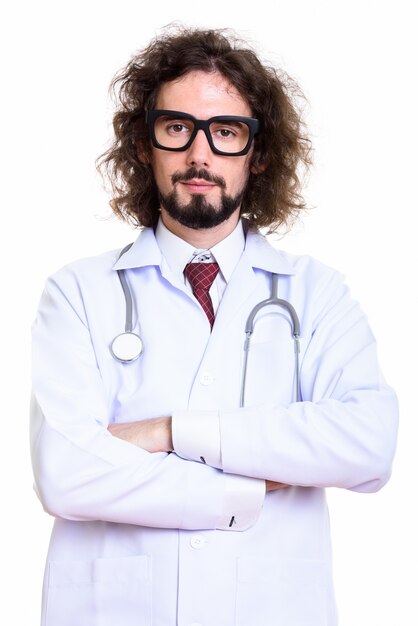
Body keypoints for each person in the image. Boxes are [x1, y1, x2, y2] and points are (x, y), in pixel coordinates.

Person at [30, 27, 398, 626]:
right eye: (178, 127)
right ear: (144, 144)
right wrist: (244, 489)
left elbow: (367, 443)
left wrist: (170, 432)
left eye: (226, 132)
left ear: (258, 155)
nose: (199, 154)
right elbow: (66, 475)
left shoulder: (315, 293)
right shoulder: (78, 293)